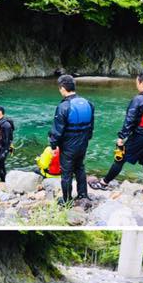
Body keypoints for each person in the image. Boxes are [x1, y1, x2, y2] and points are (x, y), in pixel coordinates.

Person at [91, 73, 143, 199]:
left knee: (120, 159)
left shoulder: (139, 99)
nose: (136, 85)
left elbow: (129, 120)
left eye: (137, 82)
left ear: (142, 83)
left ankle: (104, 183)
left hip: (139, 136)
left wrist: (121, 137)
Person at [48, 74, 95, 206]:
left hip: (68, 145)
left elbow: (57, 131)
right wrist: (86, 139)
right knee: (80, 167)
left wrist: (53, 146)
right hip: (83, 142)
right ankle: (83, 194)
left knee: (66, 172)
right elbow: (91, 126)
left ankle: (67, 200)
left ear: (63, 88)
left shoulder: (64, 106)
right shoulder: (88, 103)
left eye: (60, 88)